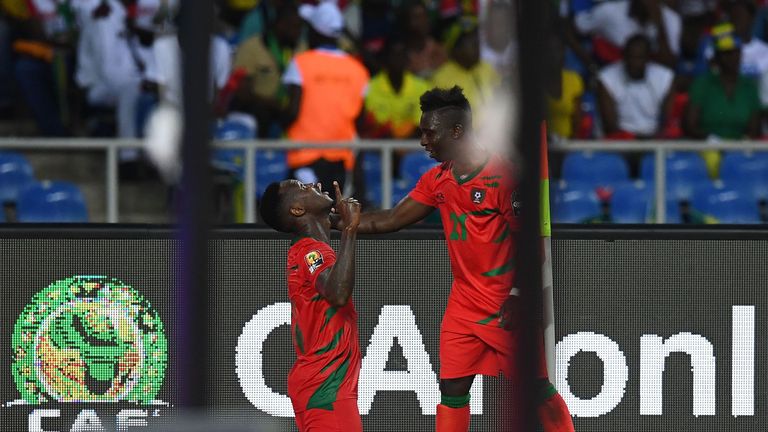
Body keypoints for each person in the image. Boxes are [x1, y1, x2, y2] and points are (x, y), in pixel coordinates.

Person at [332, 86, 574, 432]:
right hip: (463, 305)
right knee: (452, 389)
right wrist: (336, 219)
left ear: (457, 131)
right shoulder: (437, 180)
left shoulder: (504, 177)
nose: (423, 141)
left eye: (429, 132)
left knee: (535, 389)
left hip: (505, 304)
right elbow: (389, 219)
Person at [259, 179, 362, 432]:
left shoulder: (306, 250)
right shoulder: (311, 253)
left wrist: (343, 223)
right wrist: (349, 229)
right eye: (303, 187)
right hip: (326, 387)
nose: (314, 183)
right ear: (297, 210)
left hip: (321, 386)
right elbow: (338, 294)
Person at [282, 0, 369, 202]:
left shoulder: (301, 63)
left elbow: (292, 111)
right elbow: (360, 121)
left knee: (301, 220)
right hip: (341, 159)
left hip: (304, 157)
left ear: (315, 32)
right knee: (333, 221)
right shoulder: (357, 69)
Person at [231, 0, 303, 138]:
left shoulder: (300, 50)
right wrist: (272, 105)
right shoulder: (252, 48)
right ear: (281, 25)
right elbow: (242, 91)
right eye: (295, 27)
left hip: (290, 114)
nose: (299, 32)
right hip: (260, 114)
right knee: (260, 112)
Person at [596, 34, 675, 138]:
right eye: (630, 57)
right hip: (620, 140)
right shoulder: (607, 78)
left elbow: (667, 121)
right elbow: (610, 126)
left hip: (655, 139)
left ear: (648, 59)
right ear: (624, 57)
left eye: (639, 58)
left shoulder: (665, 77)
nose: (634, 63)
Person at [431, 19, 500, 125]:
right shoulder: (441, 78)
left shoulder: (487, 69)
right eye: (470, 41)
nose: (476, 44)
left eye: (477, 40)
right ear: (455, 48)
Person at [574, 0, 681, 67]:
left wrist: (660, 24)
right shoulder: (609, 12)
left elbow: (669, 65)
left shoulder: (671, 20)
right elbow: (575, 29)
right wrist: (589, 64)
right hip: (609, 73)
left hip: (649, 82)